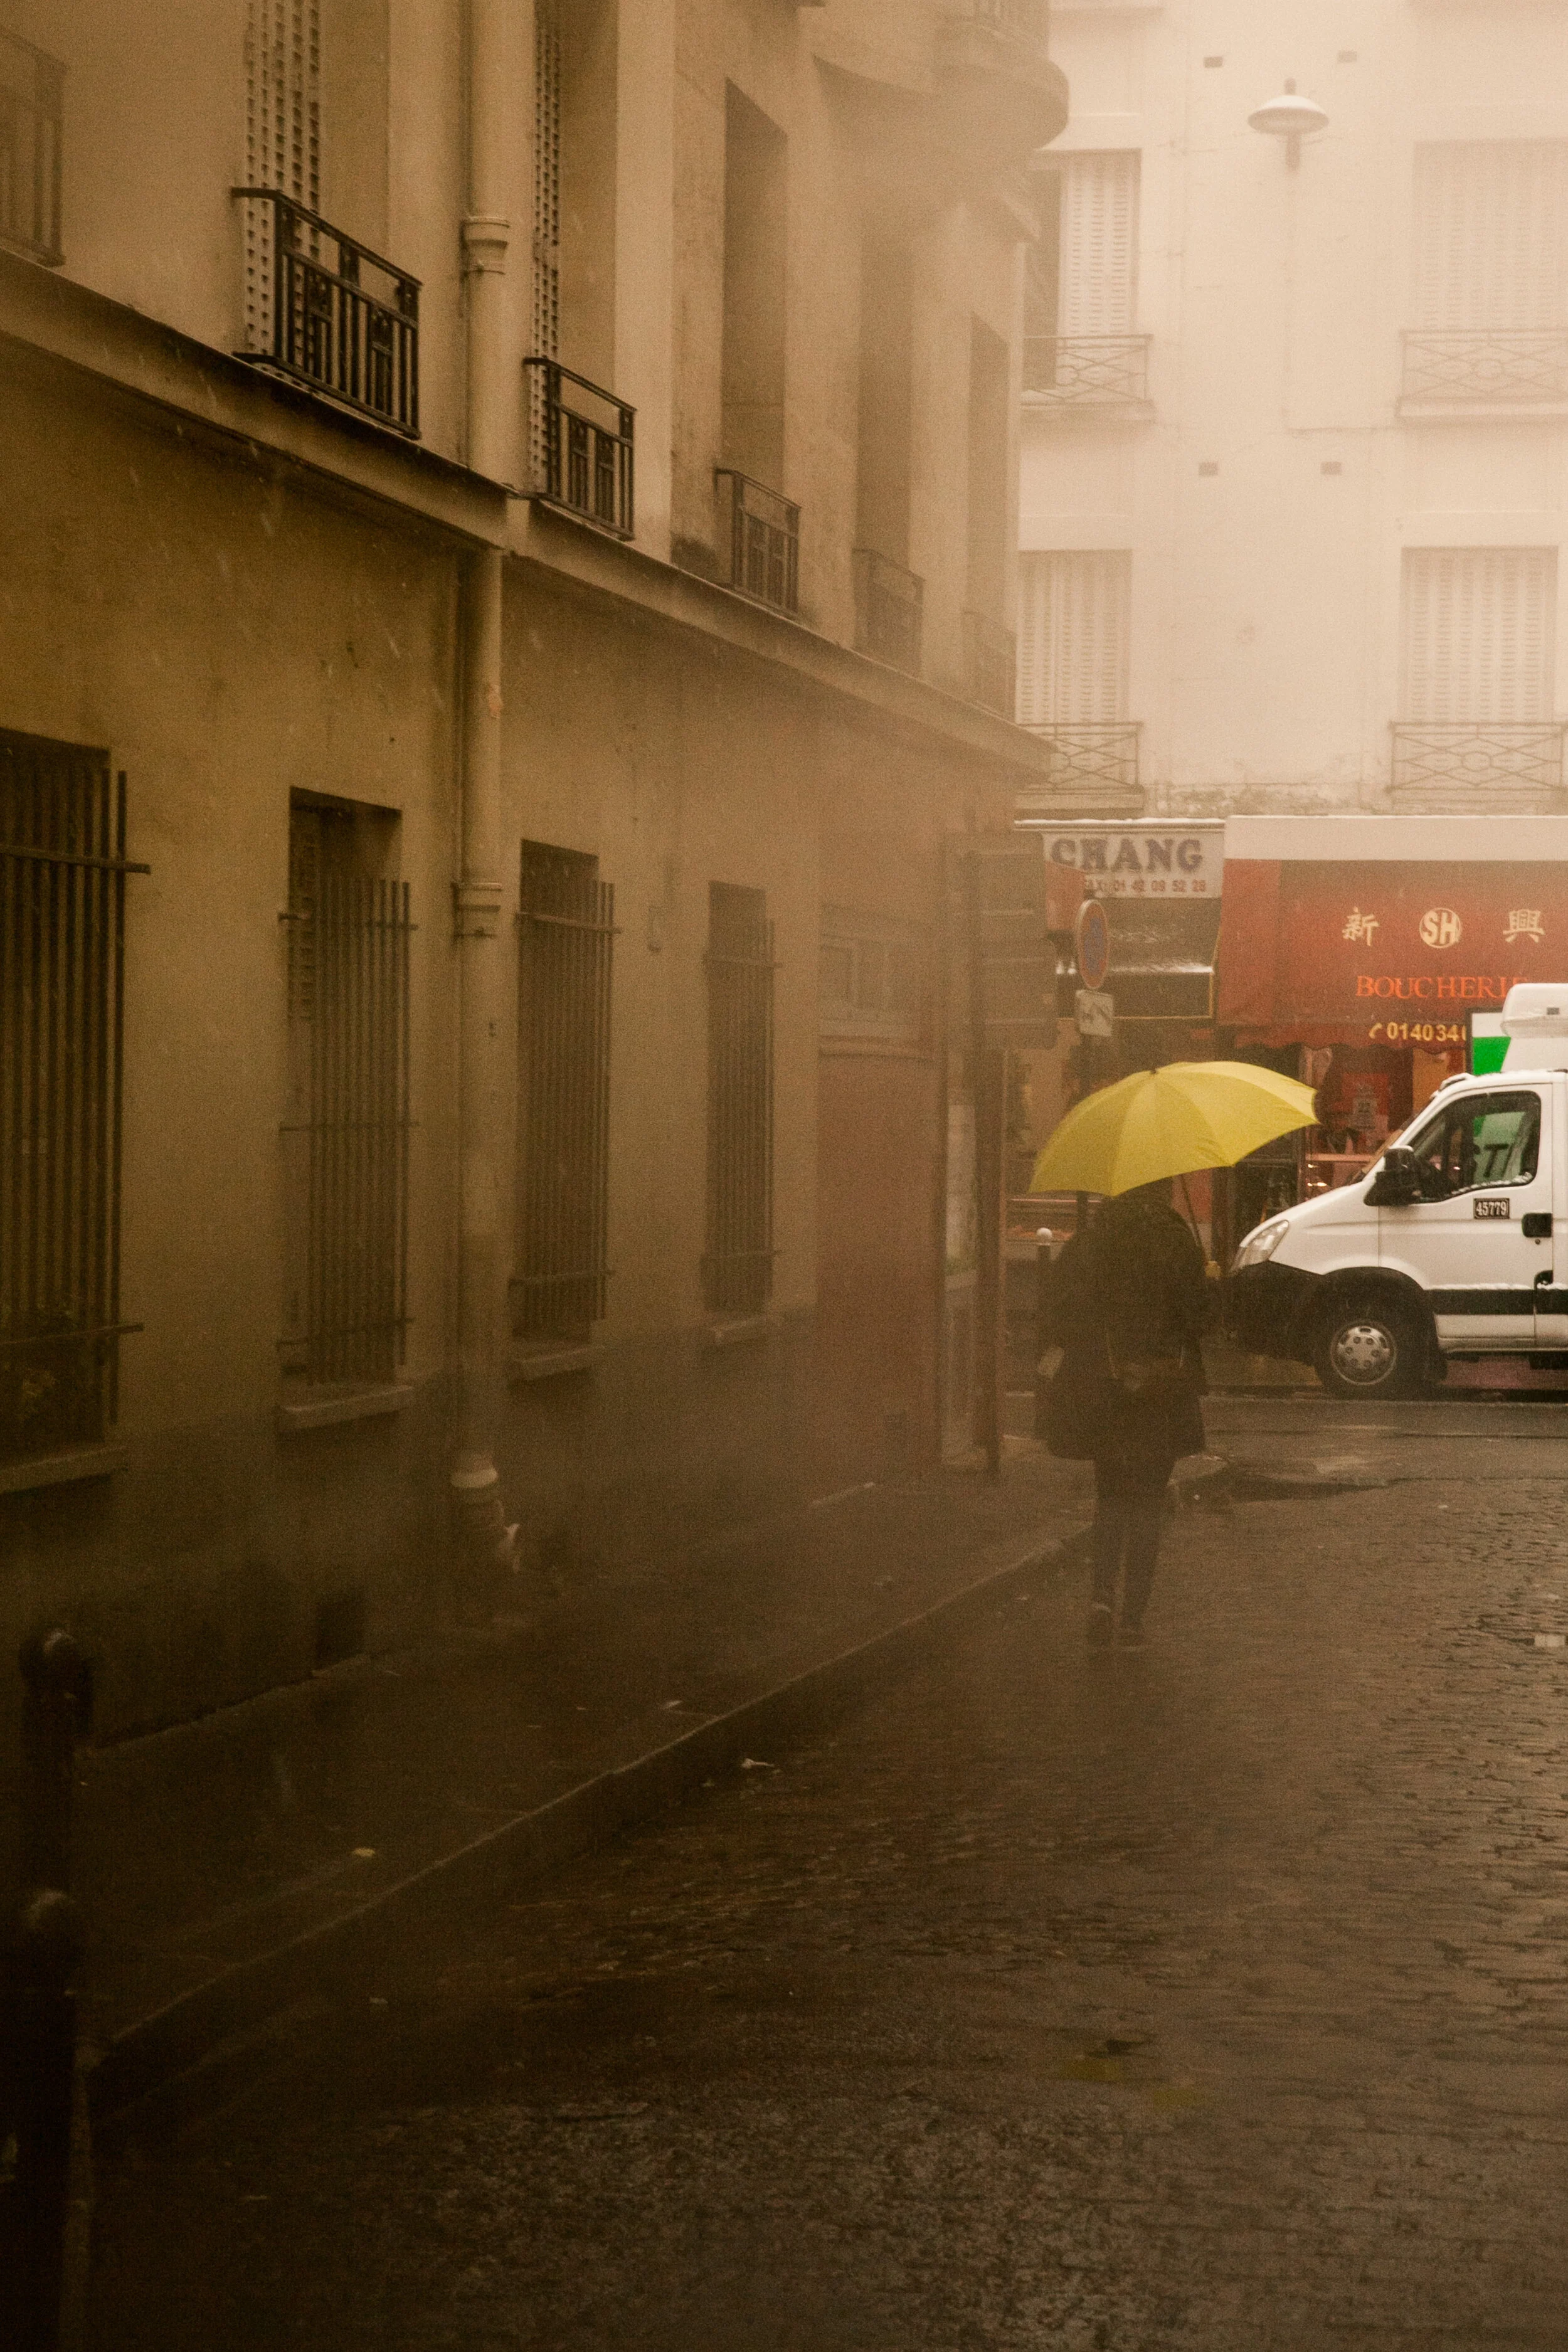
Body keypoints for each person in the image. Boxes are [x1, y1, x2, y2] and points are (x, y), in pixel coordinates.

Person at [1042, 1182, 1211, 1651]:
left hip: (1105, 1392)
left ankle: (1101, 1599)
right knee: (1148, 1505)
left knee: (1112, 1498)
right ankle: (1133, 1621)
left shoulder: (1091, 1241)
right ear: (1163, 1190)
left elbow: (1059, 1317)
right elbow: (1201, 1322)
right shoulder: (1177, 1241)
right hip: (1162, 1394)